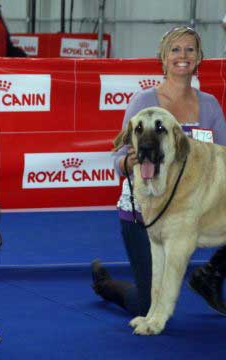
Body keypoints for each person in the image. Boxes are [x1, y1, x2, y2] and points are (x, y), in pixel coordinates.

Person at [91, 26, 226, 317]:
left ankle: (212, 274)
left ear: (199, 57)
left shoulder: (210, 105)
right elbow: (118, 158)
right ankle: (107, 286)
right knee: (145, 305)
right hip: (143, 210)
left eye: (190, 49)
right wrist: (131, 161)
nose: (183, 56)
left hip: (190, 207)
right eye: (175, 50)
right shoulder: (144, 102)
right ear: (163, 59)